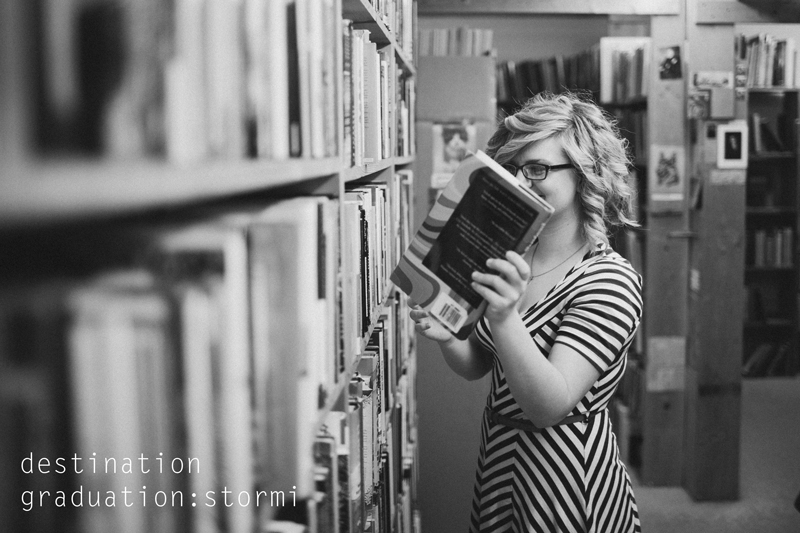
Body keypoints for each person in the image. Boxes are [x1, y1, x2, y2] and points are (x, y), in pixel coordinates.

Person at [411, 91, 643, 532]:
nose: (521, 179)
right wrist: (448, 337)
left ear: (585, 174)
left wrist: (503, 316)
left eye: (538, 168)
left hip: (564, 477)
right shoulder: (508, 252)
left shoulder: (610, 280)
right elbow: (481, 365)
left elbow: (548, 405)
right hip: (500, 460)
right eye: (513, 167)